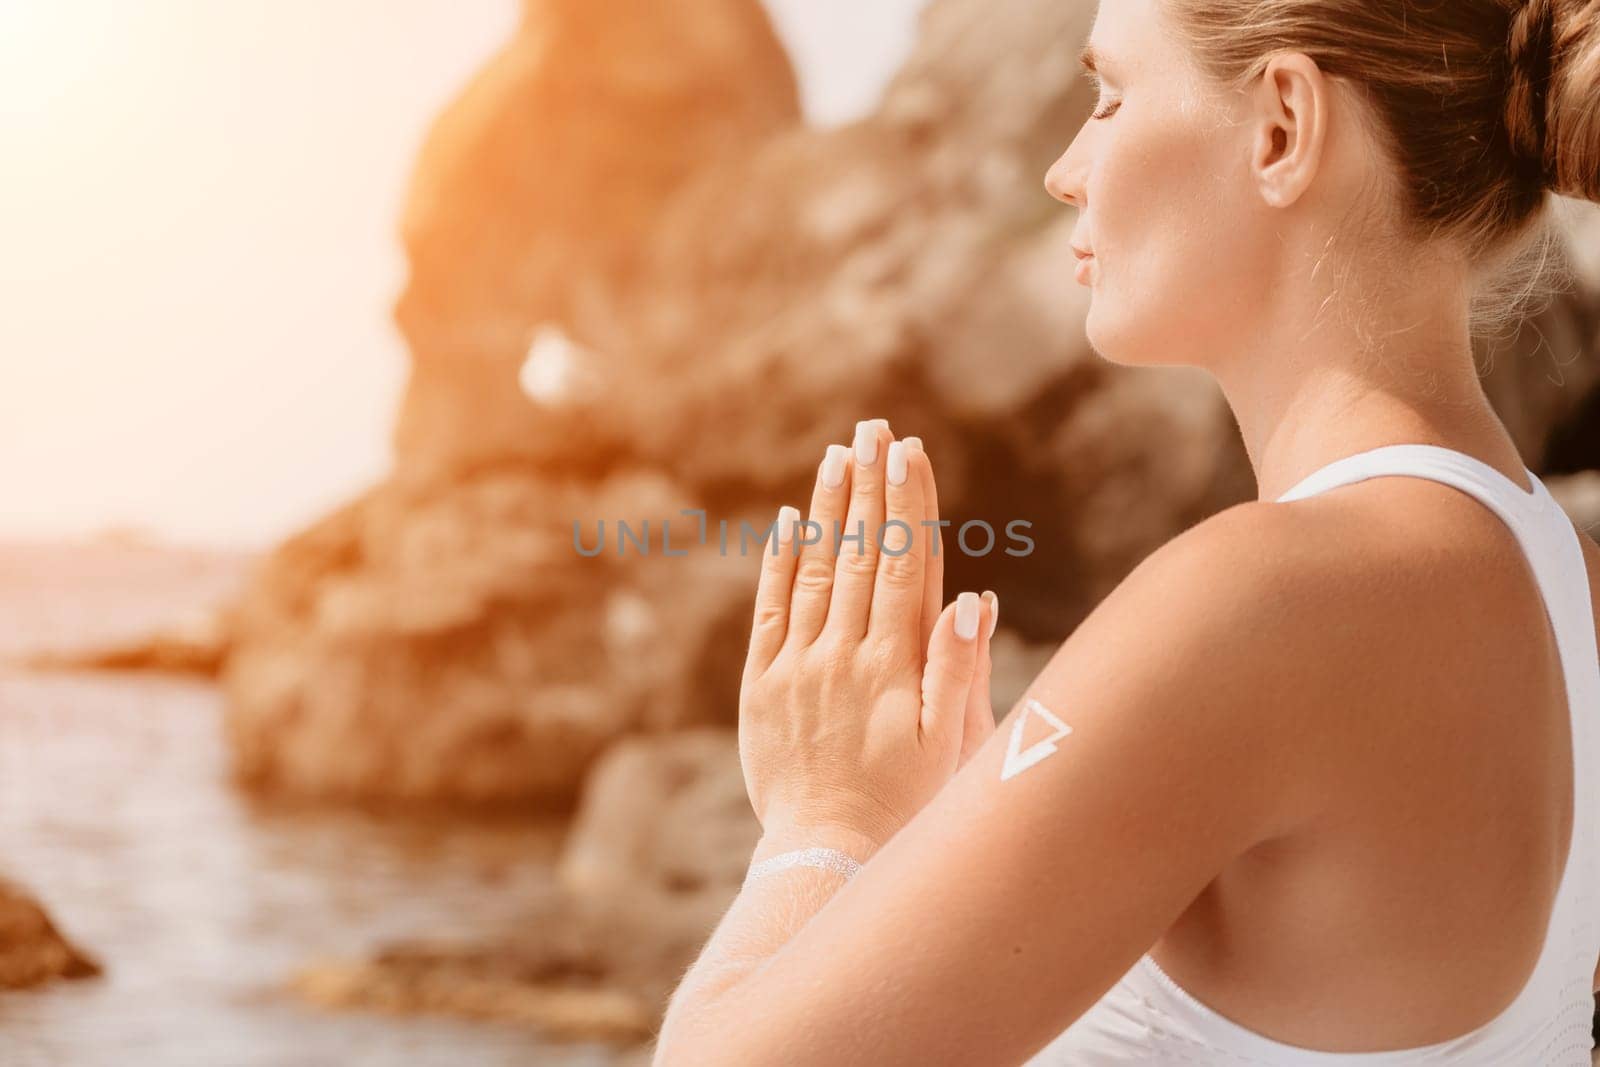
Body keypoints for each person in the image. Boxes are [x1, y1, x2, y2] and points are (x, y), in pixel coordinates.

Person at [651, 0, 1600, 1062]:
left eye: (1108, 98)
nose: (1066, 168)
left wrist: (825, 821)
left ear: (1281, 127)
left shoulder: (1258, 604)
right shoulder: (1576, 588)